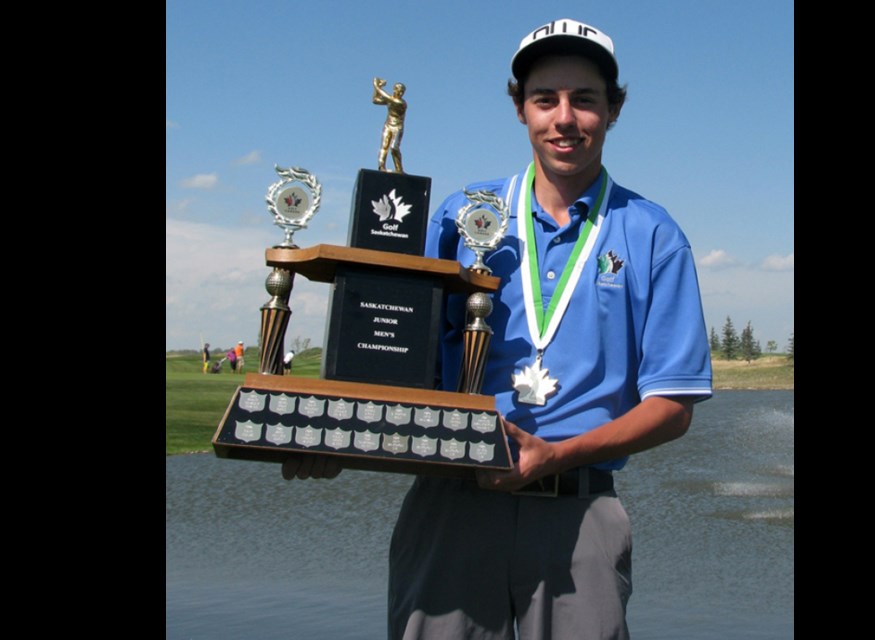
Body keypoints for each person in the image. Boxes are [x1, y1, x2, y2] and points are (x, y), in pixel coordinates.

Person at [286, 18, 712, 639]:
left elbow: (674, 406)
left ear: (614, 108)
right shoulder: (463, 215)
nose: (564, 118)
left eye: (584, 99)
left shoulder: (653, 235)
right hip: (450, 504)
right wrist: (339, 437)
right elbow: (397, 353)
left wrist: (558, 453)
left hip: (579, 513)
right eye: (546, 99)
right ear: (519, 107)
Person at [373, 77, 407, 173]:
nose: (400, 93)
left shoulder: (401, 103)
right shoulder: (390, 100)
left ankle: (399, 169)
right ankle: (381, 166)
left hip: (398, 127)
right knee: (384, 146)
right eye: (399, 91)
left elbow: (387, 97)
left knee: (394, 147)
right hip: (388, 125)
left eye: (402, 92)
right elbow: (375, 100)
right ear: (394, 90)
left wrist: (377, 86)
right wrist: (377, 89)